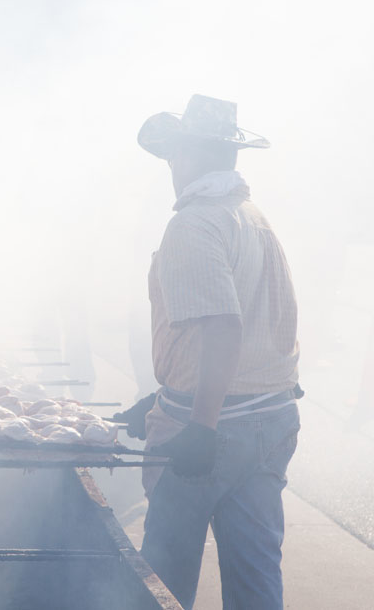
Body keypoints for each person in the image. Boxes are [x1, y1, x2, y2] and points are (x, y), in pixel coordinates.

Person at [116, 95, 301, 609]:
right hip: (270, 418)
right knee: (256, 572)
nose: (171, 168)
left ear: (190, 156)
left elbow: (223, 326)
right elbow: (259, 327)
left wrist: (198, 423)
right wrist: (161, 393)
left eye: (173, 155)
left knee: (163, 578)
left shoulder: (194, 223)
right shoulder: (251, 215)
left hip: (215, 428)